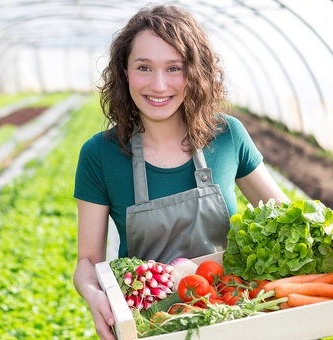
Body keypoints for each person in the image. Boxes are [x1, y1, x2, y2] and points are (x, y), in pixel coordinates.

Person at [73, 4, 289, 339]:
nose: (159, 86)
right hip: (153, 324)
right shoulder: (100, 155)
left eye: (174, 68)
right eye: (144, 67)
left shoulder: (227, 136)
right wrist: (94, 295)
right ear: (125, 71)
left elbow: (285, 218)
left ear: (194, 72)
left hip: (235, 313)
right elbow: (87, 261)